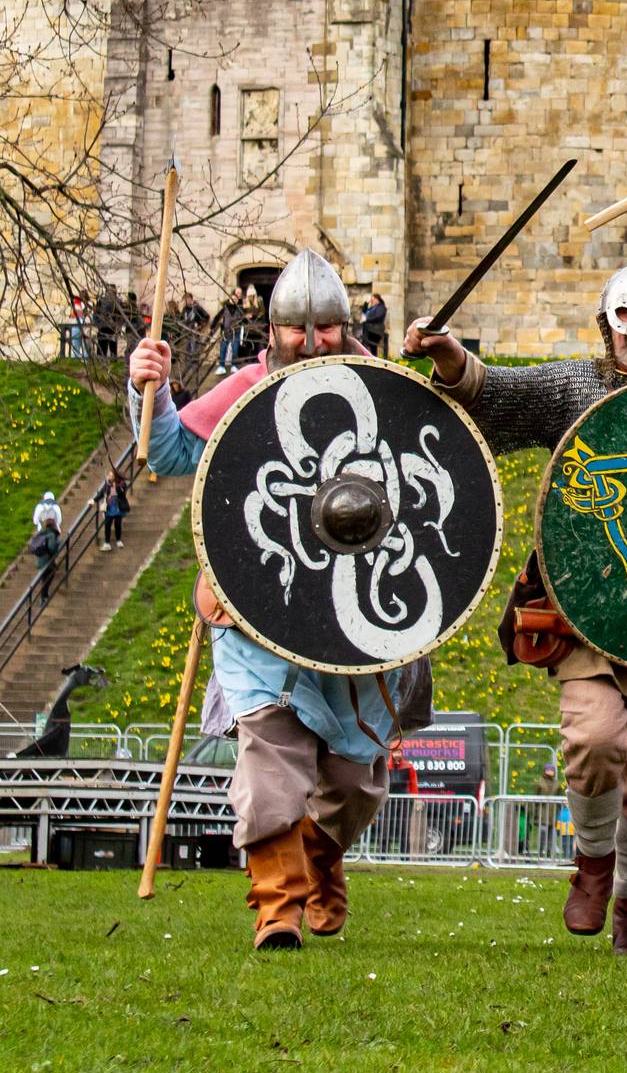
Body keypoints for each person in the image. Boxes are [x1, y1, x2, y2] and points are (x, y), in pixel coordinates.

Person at [131, 249, 429, 951]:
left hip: (358, 617)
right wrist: (151, 384)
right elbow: (171, 453)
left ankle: (321, 856)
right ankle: (277, 907)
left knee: (354, 782)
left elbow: (440, 464)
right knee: (269, 761)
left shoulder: (386, 393)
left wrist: (444, 367)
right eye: (298, 327)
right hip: (258, 616)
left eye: (327, 326)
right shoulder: (243, 389)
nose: (313, 341)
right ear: (272, 328)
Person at [408, 261, 627, 957]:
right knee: (595, 740)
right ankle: (595, 863)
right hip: (584, 603)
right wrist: (448, 353)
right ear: (608, 320)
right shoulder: (572, 385)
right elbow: (493, 393)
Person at [95, 469, 129, 551]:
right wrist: (94, 500)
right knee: (107, 525)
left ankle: (118, 540)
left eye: (111, 475)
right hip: (109, 507)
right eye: (109, 475)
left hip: (118, 507)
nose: (109, 477)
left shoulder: (121, 484)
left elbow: (122, 494)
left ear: (115, 477)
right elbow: (101, 493)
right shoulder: (107, 484)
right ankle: (107, 543)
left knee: (118, 524)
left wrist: (116, 485)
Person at [29, 519, 63, 602]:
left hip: (40, 560)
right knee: (49, 575)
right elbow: (52, 548)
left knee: (45, 577)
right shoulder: (51, 534)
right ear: (54, 525)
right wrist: (58, 544)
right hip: (47, 560)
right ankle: (43, 596)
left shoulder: (41, 533)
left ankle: (43, 596)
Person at [215, 288, 245, 373]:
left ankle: (234, 365)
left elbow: (244, 319)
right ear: (229, 299)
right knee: (223, 348)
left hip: (236, 331)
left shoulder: (239, 309)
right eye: (232, 299)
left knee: (235, 348)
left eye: (235, 299)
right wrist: (213, 327)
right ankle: (221, 366)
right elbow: (217, 317)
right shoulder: (225, 308)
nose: (233, 300)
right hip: (226, 331)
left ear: (237, 300)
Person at [360, 290, 388, 358]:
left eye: (373, 300)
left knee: (372, 346)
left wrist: (367, 320)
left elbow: (378, 317)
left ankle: (370, 356)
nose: (372, 301)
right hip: (369, 329)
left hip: (375, 330)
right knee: (372, 347)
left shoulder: (381, 307)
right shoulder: (373, 308)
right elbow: (364, 311)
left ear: (377, 299)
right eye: (371, 300)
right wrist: (366, 303)